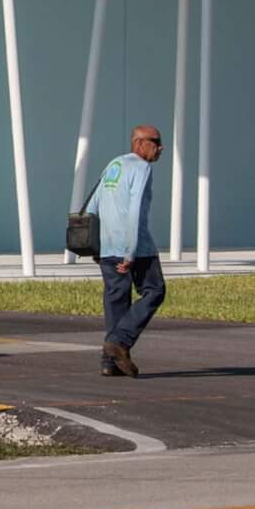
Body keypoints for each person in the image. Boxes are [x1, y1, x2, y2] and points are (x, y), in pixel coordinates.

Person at [93, 124, 166, 376]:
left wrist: (96, 244)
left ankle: (109, 362)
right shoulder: (141, 167)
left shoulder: (114, 165)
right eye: (156, 142)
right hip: (135, 246)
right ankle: (120, 341)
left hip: (108, 245)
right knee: (155, 291)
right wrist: (130, 252)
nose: (160, 147)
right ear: (139, 143)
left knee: (117, 301)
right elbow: (135, 210)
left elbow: (93, 204)